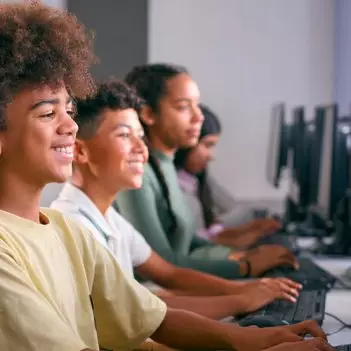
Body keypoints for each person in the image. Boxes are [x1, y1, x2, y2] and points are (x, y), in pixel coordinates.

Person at [0, 3, 332, 351]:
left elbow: (154, 318)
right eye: (48, 113)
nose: (70, 126)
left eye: (69, 110)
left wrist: (255, 338)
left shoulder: (66, 232)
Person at [51, 79, 301, 321]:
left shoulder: (109, 219)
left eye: (140, 136)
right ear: (80, 151)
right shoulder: (73, 226)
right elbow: (135, 310)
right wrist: (240, 300)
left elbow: (168, 273)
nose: (141, 148)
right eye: (125, 135)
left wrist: (245, 290)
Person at [115, 63, 298, 279]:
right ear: (148, 114)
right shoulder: (139, 173)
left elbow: (189, 242)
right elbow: (160, 262)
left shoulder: (165, 164)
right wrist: (243, 266)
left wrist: (242, 255)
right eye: (183, 107)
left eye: (197, 105)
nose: (198, 117)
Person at [174, 103, 281, 249]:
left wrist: (245, 230)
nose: (211, 156)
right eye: (207, 145)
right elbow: (193, 245)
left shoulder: (196, 179)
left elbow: (228, 211)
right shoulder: (175, 188)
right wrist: (239, 238)